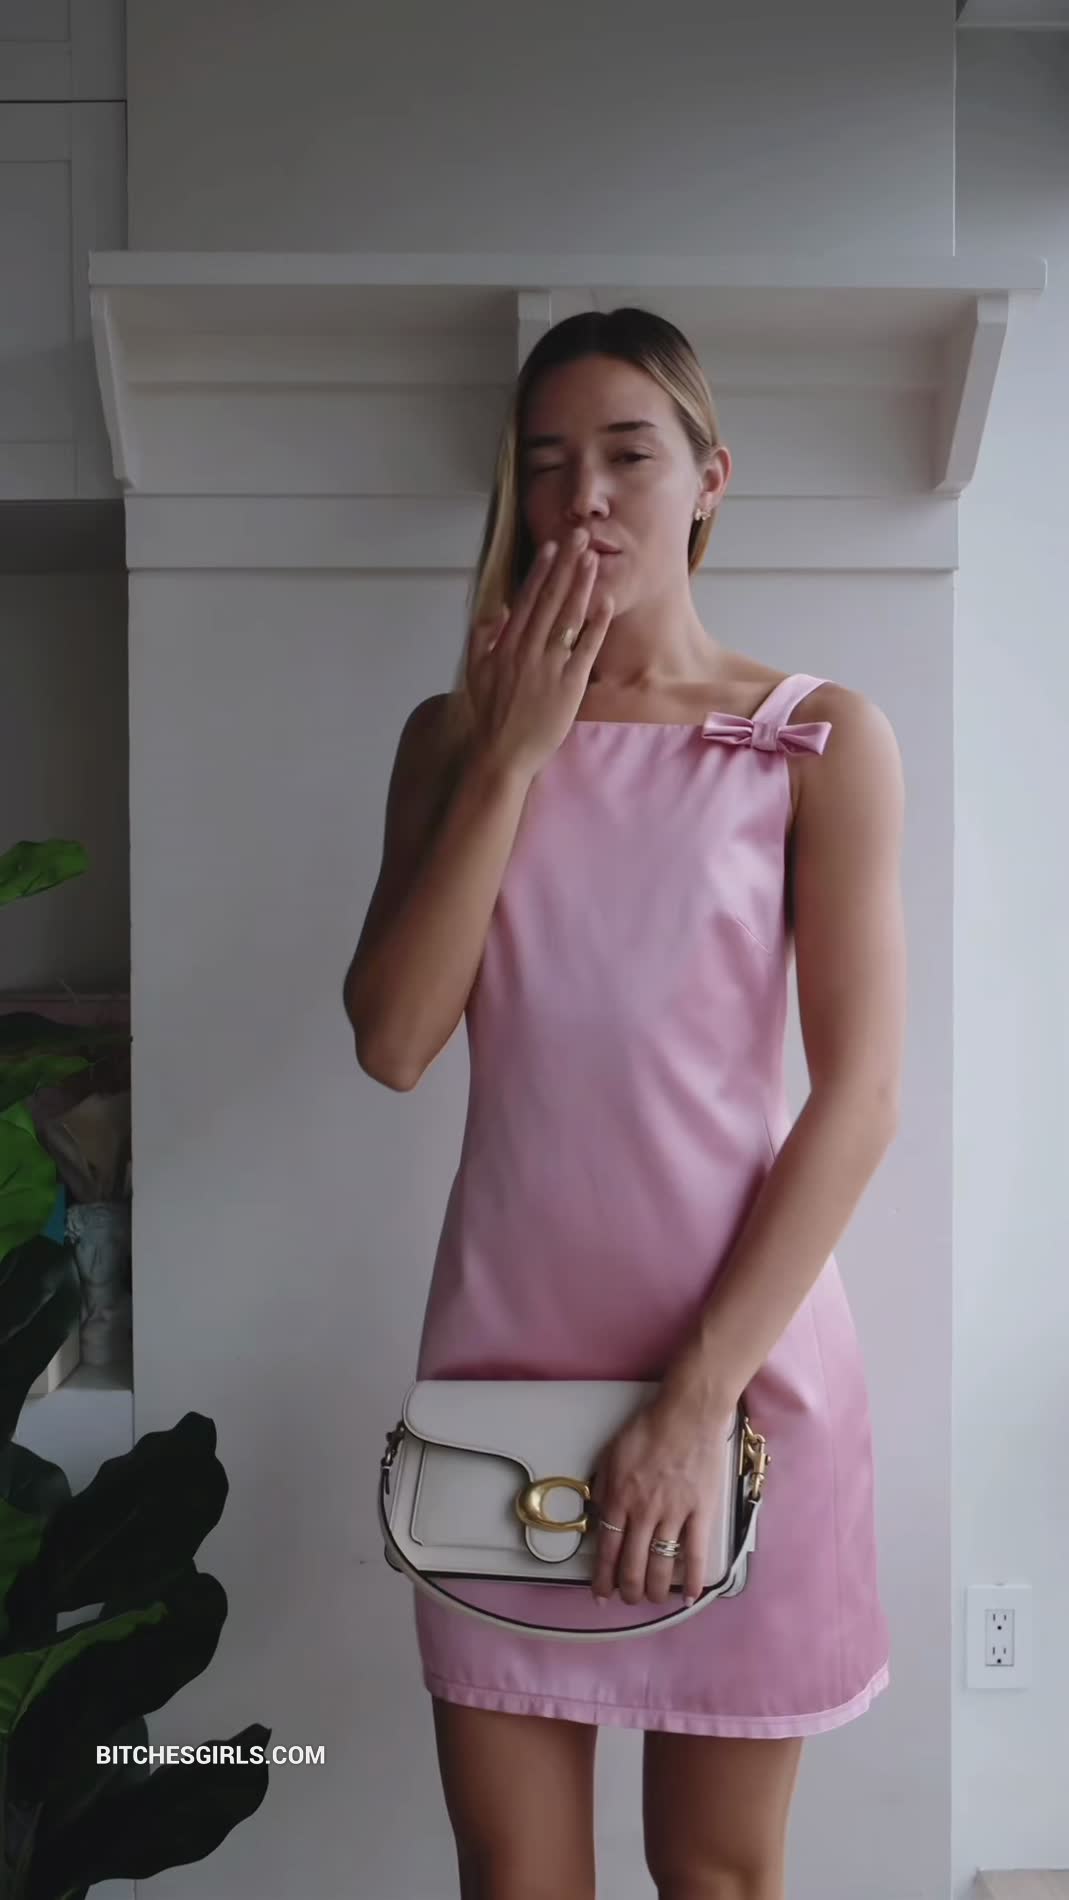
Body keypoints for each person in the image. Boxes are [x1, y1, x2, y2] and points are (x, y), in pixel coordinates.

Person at [344, 306, 906, 1900]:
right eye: (543, 462)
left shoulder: (813, 738)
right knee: (514, 1882)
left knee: (715, 1879)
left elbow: (859, 1098)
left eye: (625, 453)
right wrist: (513, 758)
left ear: (708, 479)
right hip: (496, 1391)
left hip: (741, 1395)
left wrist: (693, 1404)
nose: (579, 495)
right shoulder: (450, 742)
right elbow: (394, 1040)